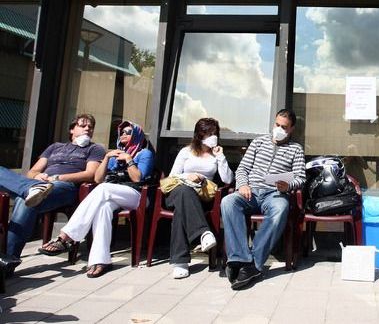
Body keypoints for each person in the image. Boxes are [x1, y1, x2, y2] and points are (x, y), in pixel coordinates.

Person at [37, 121, 154, 278]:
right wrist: (106, 158)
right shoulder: (115, 154)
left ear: (137, 135)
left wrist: (128, 159)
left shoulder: (144, 153)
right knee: (103, 208)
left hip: (137, 195)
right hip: (112, 194)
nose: (124, 134)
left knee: (103, 190)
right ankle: (100, 260)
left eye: (128, 131)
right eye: (122, 132)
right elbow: (98, 179)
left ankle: (66, 237)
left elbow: (138, 178)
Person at [0, 114, 105, 274]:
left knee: (25, 199)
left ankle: (6, 263)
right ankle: (31, 190)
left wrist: (57, 177)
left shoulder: (94, 149)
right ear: (72, 129)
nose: (87, 129)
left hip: (65, 187)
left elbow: (90, 174)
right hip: (40, 184)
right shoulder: (55, 147)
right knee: (21, 191)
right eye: (83, 125)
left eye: (90, 127)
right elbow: (33, 171)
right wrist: (37, 177)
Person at [221, 109, 306, 289]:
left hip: (274, 194)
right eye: (277, 125)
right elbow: (242, 168)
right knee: (228, 202)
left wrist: (287, 185)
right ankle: (239, 259)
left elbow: (301, 178)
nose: (279, 129)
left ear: (291, 129)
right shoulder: (258, 142)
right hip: (249, 192)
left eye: (284, 127)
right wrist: (242, 185)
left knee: (280, 208)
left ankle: (254, 265)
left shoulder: (296, 149)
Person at [167, 117, 233, 279]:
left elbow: (228, 180)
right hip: (177, 191)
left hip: (202, 197)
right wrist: (188, 176)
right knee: (184, 192)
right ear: (199, 135)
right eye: (208, 133)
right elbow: (172, 177)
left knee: (181, 211)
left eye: (214, 133)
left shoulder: (216, 155)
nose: (212, 136)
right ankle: (203, 233)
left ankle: (180, 262)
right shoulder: (186, 151)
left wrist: (220, 157)